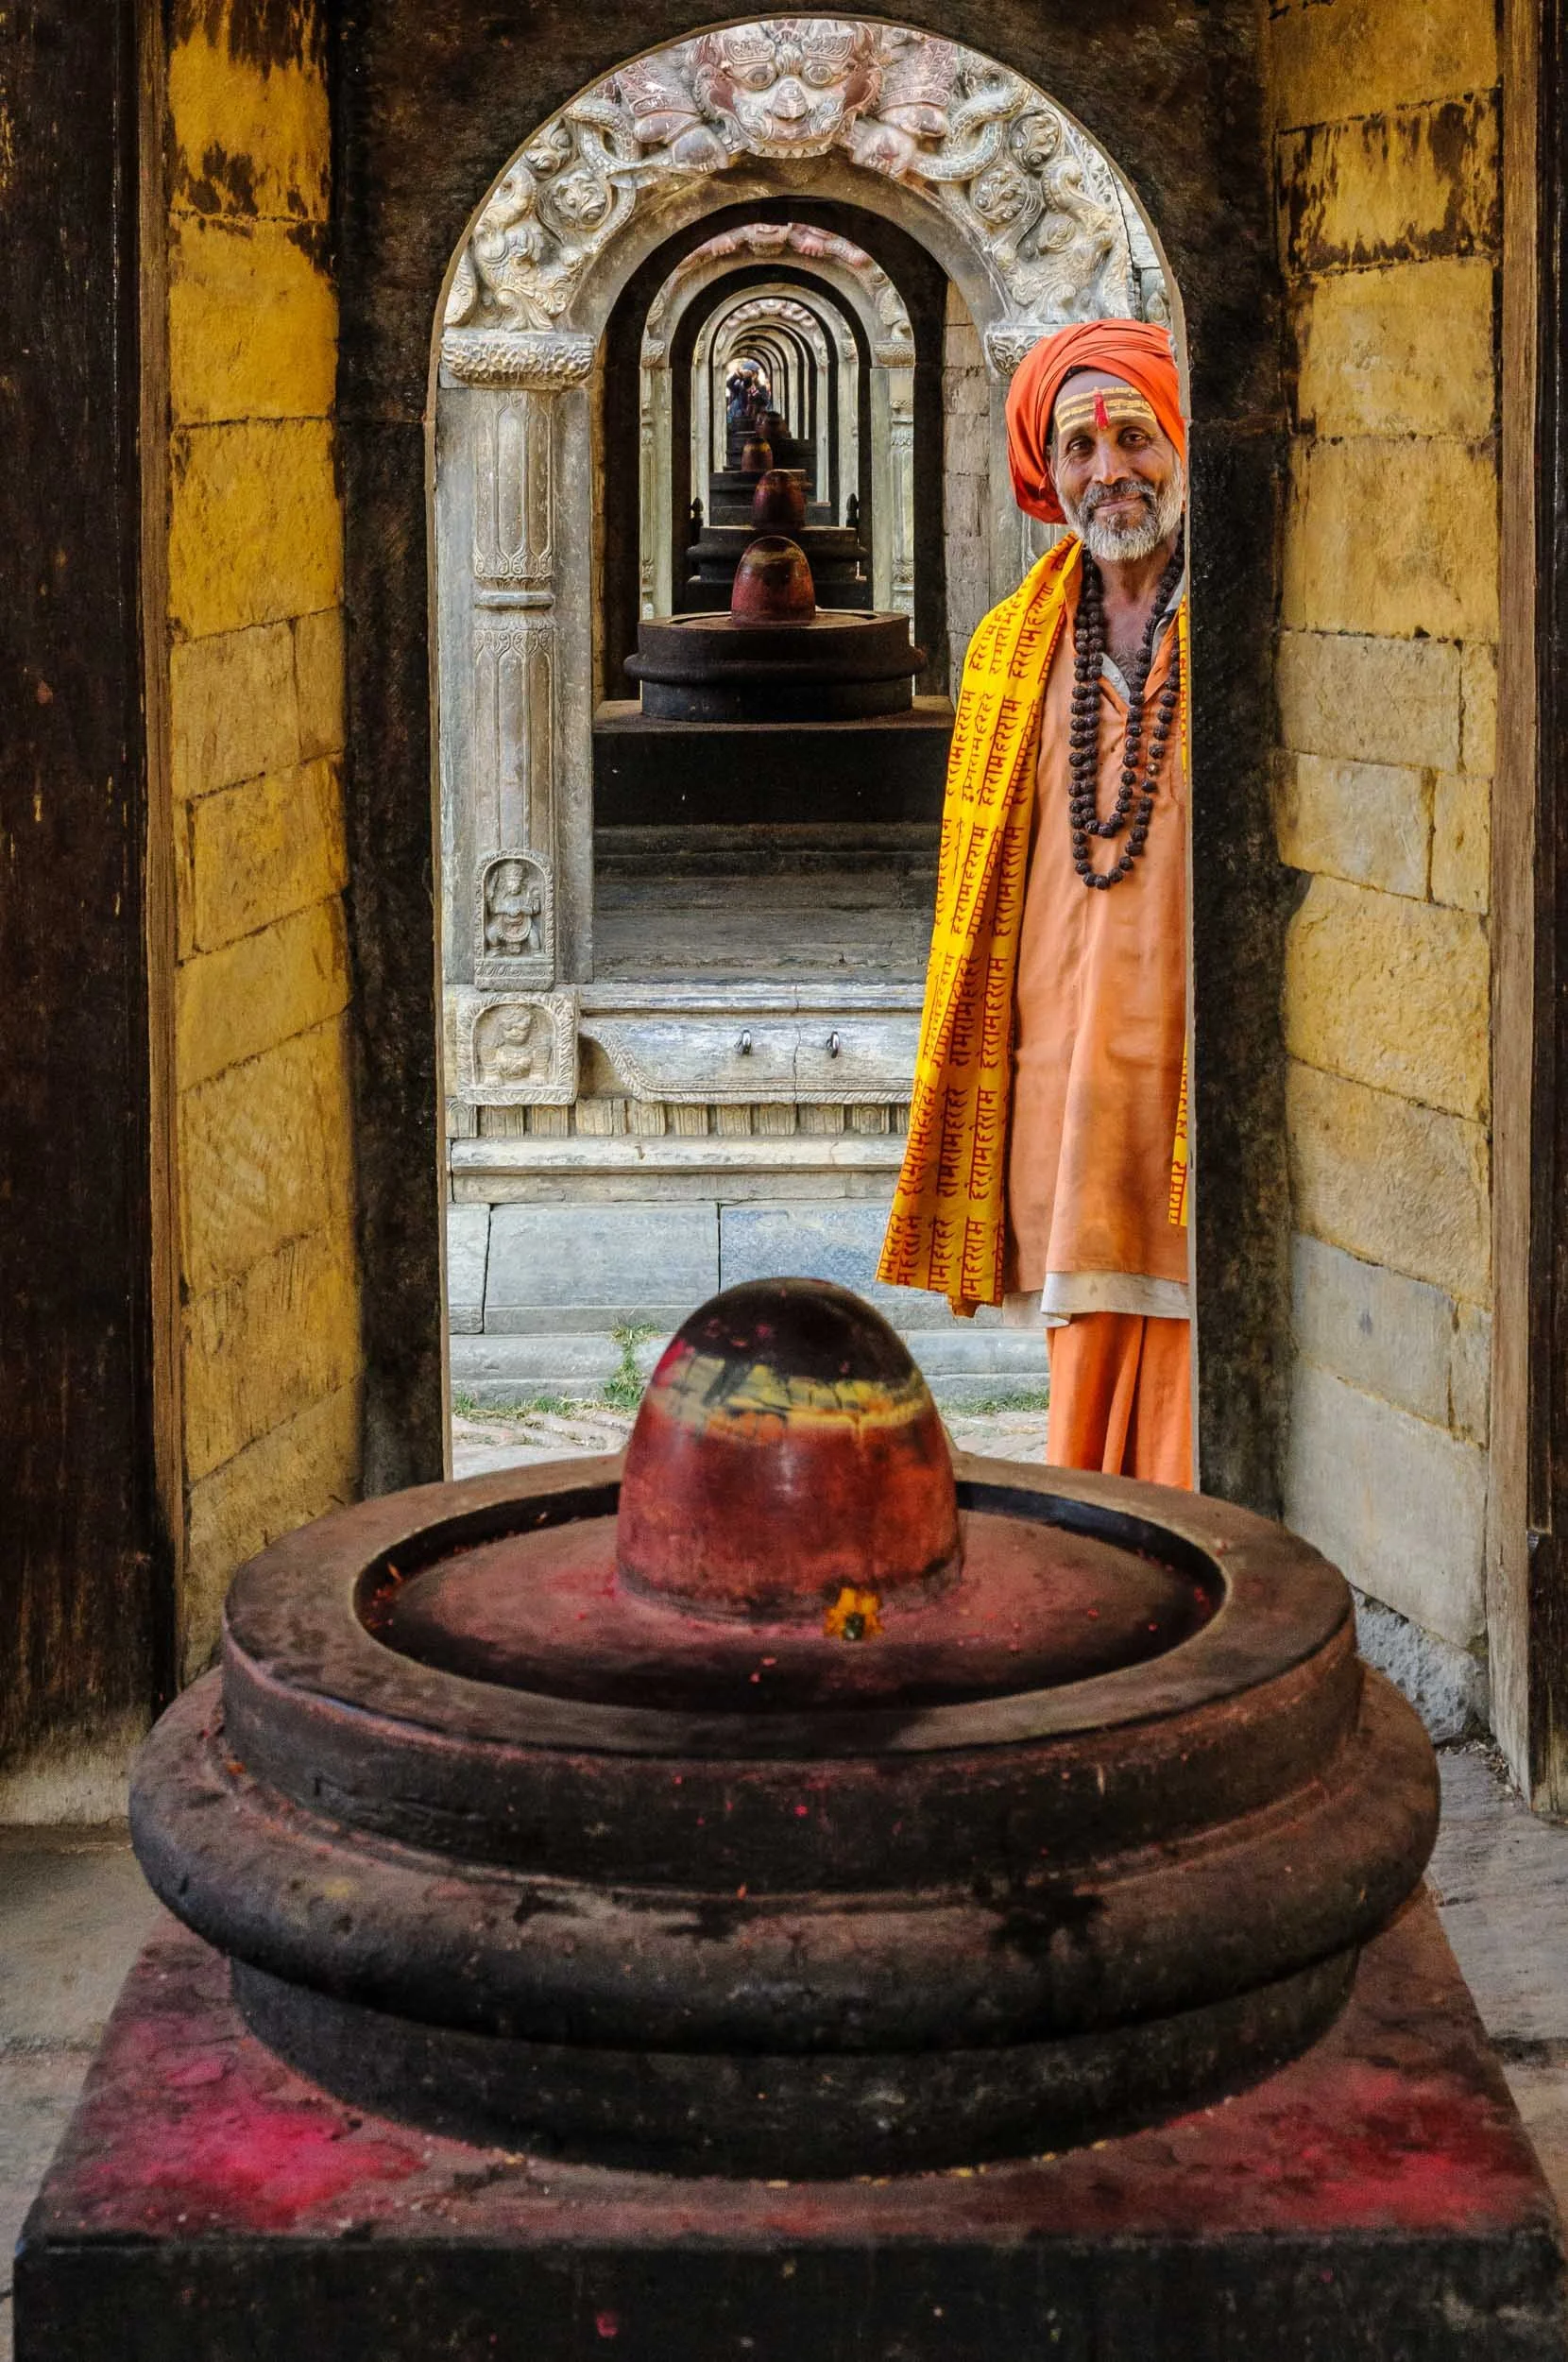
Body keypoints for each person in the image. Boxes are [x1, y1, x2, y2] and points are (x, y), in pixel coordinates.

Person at [878, 318, 1192, 1487]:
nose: (1108, 471)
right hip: (1060, 1058)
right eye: (1079, 447)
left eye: (1135, 437)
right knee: (1084, 1310)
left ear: (1182, 447)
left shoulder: (1249, 620)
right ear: (1043, 471)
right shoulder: (1013, 647)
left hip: (1190, 1058)